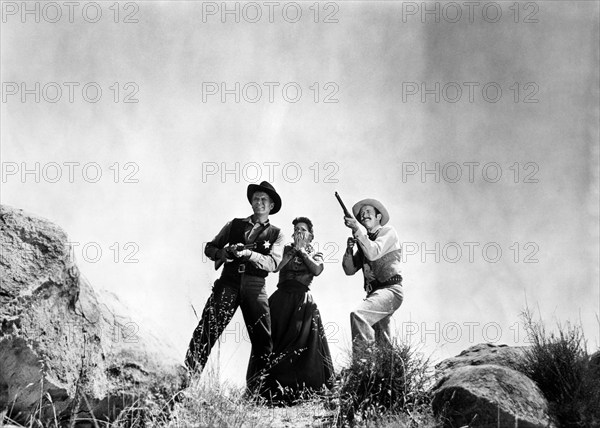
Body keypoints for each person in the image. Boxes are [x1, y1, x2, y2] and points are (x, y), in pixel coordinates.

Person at [185, 181, 285, 392]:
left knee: (263, 340)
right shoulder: (234, 225)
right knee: (207, 330)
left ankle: (260, 394)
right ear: (251, 202)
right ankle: (186, 383)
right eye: (256, 198)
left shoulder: (277, 234)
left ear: (272, 206)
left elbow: (273, 264)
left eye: (264, 200)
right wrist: (224, 253)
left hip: (255, 286)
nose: (259, 202)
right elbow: (210, 248)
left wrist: (248, 254)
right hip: (228, 283)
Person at [249, 217, 334, 403]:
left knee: (305, 345)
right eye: (296, 229)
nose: (299, 232)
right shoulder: (285, 249)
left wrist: (302, 251)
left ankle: (301, 392)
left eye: (303, 230)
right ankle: (266, 390)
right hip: (281, 299)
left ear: (311, 236)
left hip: (303, 302)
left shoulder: (316, 253)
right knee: (272, 341)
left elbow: (317, 270)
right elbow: (275, 267)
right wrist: (292, 251)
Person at [342, 198, 403, 353]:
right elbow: (349, 270)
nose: (364, 215)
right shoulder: (365, 242)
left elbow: (374, 252)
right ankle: (391, 373)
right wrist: (349, 251)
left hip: (390, 290)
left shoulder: (388, 232)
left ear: (379, 217)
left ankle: (364, 366)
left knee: (359, 316)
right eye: (362, 214)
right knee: (383, 341)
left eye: (369, 211)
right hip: (374, 294)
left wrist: (357, 230)